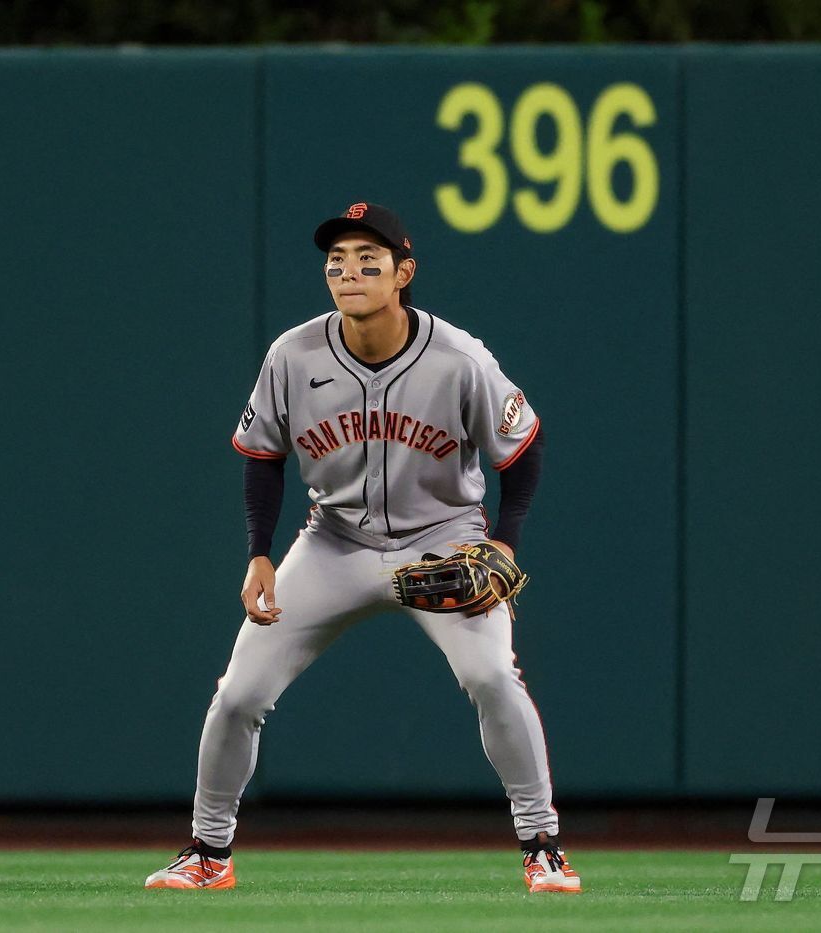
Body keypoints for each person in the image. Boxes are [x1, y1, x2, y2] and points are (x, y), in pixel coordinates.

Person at [144, 202, 580, 895]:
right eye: (337, 261)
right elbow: (263, 456)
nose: (349, 271)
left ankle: (543, 846)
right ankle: (207, 852)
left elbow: (523, 447)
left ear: (403, 273)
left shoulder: (459, 358)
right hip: (333, 542)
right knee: (238, 694)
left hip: (444, 540)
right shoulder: (293, 354)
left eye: (368, 260)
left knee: (494, 678)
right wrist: (259, 551)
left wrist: (504, 541)